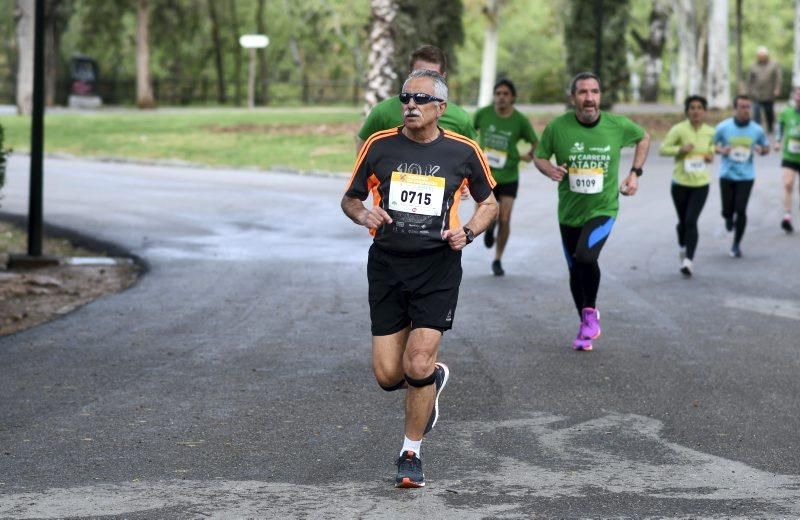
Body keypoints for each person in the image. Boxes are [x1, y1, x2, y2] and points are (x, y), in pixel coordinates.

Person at [341, 69, 498, 488]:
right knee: (389, 376)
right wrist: (363, 213)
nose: (409, 104)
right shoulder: (379, 146)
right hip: (388, 266)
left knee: (417, 361)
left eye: (420, 99)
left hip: (438, 267)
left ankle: (411, 453)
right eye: (405, 97)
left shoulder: (463, 151)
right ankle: (432, 380)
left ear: (440, 109)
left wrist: (468, 232)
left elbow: (490, 203)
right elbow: (350, 198)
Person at [533, 72, 650, 352]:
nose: (589, 98)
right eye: (583, 92)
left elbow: (644, 138)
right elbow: (539, 156)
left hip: (603, 208)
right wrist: (548, 168)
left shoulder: (616, 125)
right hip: (569, 212)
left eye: (594, 92)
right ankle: (585, 326)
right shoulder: (557, 128)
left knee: (586, 256)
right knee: (575, 268)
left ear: (600, 96)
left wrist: (635, 173)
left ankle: (590, 313)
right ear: (573, 97)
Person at [356, 45, 476, 153]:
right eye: (419, 73)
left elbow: (473, 158)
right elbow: (363, 154)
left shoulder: (461, 119)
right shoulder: (382, 112)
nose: (411, 105)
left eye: (432, 75)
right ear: (410, 74)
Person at [473, 78, 538, 276]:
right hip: (485, 174)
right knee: (485, 214)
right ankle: (489, 226)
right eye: (498, 93)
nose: (501, 97)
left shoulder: (519, 120)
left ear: (513, 98)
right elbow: (468, 132)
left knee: (505, 218)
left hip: (509, 174)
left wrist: (528, 156)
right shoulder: (483, 114)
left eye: (505, 94)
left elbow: (535, 142)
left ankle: (498, 259)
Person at [659, 95, 715, 276]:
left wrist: (710, 155)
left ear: (704, 111)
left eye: (699, 107)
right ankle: (682, 245)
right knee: (682, 222)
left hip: (701, 184)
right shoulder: (679, 129)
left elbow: (712, 150)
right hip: (680, 183)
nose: (696, 111)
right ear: (687, 111)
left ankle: (689, 261)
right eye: (692, 107)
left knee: (691, 221)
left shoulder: (710, 132)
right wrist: (679, 150)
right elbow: (663, 149)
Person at [713, 95, 770, 258]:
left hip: (746, 176)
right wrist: (721, 150)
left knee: (741, 210)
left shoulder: (756, 129)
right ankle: (727, 217)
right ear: (735, 108)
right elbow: (712, 145)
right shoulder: (723, 127)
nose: (745, 110)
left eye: (747, 107)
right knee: (727, 210)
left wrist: (762, 150)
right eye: (742, 106)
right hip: (726, 174)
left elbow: (766, 148)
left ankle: (736, 244)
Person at [773, 85, 800, 233]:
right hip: (790, 154)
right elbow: (780, 127)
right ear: (794, 96)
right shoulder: (787, 112)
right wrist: (777, 141)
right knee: (788, 184)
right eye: (798, 94)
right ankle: (787, 216)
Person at [747, 46, 782, 136]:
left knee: (768, 112)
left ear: (766, 55)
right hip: (756, 94)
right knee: (756, 113)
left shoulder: (774, 64)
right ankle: (757, 130)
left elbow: (778, 78)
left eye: (763, 55)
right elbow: (749, 80)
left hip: (769, 94)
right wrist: (749, 91)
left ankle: (770, 128)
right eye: (759, 55)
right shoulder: (753, 65)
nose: (761, 57)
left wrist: (777, 89)